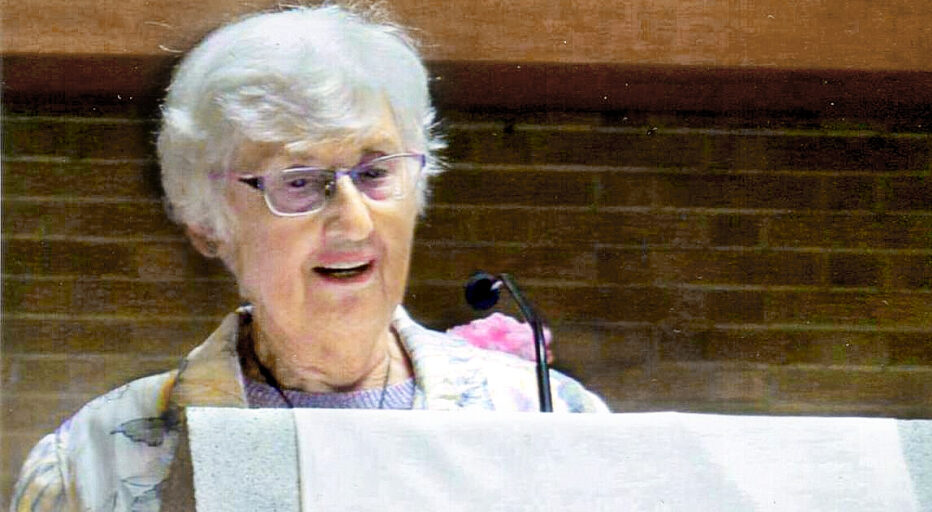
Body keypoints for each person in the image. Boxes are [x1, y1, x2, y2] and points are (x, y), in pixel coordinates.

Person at [11, 5, 608, 511]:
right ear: (206, 223)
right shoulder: (93, 465)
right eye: (297, 181)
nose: (354, 221)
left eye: (376, 172)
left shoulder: (553, 420)